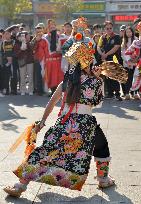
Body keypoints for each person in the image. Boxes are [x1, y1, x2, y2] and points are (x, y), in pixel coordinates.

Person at [3, 17, 114, 198]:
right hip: (86, 124)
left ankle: (20, 185)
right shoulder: (95, 81)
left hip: (65, 122)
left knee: (45, 151)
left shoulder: (68, 79)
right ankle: (103, 180)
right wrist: (98, 80)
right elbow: (97, 104)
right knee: (101, 146)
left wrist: (42, 122)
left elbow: (52, 102)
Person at [36, 19, 64, 95]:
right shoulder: (43, 39)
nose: (52, 29)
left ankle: (58, 93)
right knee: (51, 77)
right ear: (48, 28)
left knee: (59, 77)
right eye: (50, 27)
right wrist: (42, 62)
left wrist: (61, 51)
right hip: (49, 61)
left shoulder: (61, 37)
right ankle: (53, 92)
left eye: (53, 27)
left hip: (58, 60)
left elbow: (65, 48)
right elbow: (41, 51)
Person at [97, 21, 122, 100]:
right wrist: (102, 54)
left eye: (110, 28)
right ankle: (110, 93)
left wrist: (106, 54)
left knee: (114, 76)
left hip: (114, 59)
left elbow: (116, 47)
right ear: (104, 29)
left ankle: (117, 93)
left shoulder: (117, 37)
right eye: (107, 28)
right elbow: (98, 47)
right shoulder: (102, 37)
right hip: (104, 59)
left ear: (112, 28)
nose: (109, 30)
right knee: (107, 76)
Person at [121, 26, 139, 100]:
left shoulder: (136, 39)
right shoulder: (124, 40)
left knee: (136, 77)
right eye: (127, 32)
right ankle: (127, 93)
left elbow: (138, 51)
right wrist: (128, 60)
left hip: (135, 62)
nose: (128, 33)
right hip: (127, 62)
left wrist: (135, 59)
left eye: (130, 32)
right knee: (128, 78)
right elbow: (123, 52)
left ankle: (135, 93)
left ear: (132, 32)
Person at [14, 31, 34, 95]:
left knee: (30, 76)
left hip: (30, 61)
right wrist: (21, 49)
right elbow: (16, 54)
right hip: (22, 61)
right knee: (22, 77)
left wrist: (25, 42)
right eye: (20, 36)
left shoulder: (29, 43)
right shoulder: (16, 44)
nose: (22, 38)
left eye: (23, 36)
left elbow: (31, 49)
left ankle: (30, 90)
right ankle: (22, 90)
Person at [31, 23, 45, 96]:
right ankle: (39, 90)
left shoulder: (45, 38)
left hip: (45, 59)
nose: (39, 33)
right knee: (38, 75)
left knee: (45, 75)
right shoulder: (34, 39)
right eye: (37, 31)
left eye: (40, 31)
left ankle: (46, 89)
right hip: (37, 59)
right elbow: (31, 48)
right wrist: (36, 40)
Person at [1, 28, 14, 95]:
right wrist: (7, 58)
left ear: (10, 35)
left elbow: (15, 51)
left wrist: (11, 58)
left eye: (8, 34)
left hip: (13, 62)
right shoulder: (3, 43)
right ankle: (6, 90)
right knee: (6, 77)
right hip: (6, 62)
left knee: (13, 76)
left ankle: (13, 90)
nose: (7, 35)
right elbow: (2, 52)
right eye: (5, 34)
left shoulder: (13, 42)